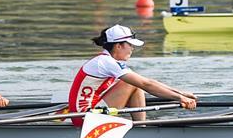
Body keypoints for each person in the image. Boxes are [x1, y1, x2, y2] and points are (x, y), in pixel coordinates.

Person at [67, 24, 197, 124]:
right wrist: (180, 99)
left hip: (88, 113)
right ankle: (141, 130)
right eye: (130, 44)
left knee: (136, 84)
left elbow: (148, 82)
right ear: (118, 46)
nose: (132, 48)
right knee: (133, 84)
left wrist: (181, 93)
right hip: (84, 119)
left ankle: (141, 127)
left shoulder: (108, 61)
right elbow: (147, 84)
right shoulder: (106, 62)